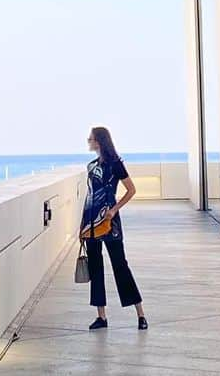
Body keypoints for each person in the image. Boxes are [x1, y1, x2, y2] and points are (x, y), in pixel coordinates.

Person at [82, 125, 148, 331]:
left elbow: (131, 190)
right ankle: (101, 317)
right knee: (95, 268)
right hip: (91, 223)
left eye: (90, 138)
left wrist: (114, 210)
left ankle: (141, 314)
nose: (88, 141)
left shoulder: (116, 164)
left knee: (120, 265)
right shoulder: (91, 166)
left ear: (99, 141)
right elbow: (89, 197)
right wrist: (82, 226)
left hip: (110, 223)